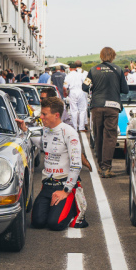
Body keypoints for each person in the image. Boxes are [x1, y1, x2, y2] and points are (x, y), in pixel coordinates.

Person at [31, 96, 88, 230]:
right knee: (37, 222)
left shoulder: (69, 132)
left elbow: (76, 164)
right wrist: (24, 130)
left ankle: (73, 206)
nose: (41, 117)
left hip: (64, 186)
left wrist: (66, 190)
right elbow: (42, 145)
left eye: (44, 114)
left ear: (56, 115)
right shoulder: (45, 130)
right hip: (47, 186)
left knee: (55, 224)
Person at [87, 47, 127, 178]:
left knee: (98, 135)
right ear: (113, 56)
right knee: (110, 137)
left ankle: (100, 166)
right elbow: (125, 89)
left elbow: (84, 86)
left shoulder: (93, 70)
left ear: (101, 56)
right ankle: (106, 168)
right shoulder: (118, 70)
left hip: (97, 106)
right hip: (112, 106)